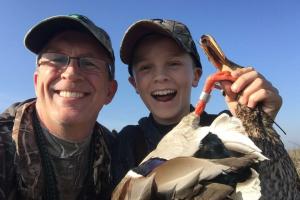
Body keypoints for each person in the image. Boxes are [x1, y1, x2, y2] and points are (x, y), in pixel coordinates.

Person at [112, 18, 283, 186]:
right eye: (145, 67)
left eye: (173, 63)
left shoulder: (229, 127)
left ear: (196, 75)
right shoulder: (128, 142)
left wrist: (259, 125)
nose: (160, 77)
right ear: (134, 84)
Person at [0, 14, 117, 199]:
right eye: (56, 59)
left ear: (110, 92)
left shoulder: (120, 153)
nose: (71, 73)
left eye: (89, 63)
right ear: (37, 82)